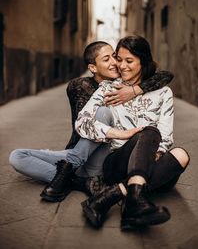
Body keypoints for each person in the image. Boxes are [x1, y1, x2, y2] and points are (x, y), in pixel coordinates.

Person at [9, 40, 174, 202]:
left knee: (175, 157)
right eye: (108, 59)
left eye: (115, 57)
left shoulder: (150, 89)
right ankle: (77, 181)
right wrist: (120, 133)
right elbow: (82, 122)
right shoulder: (83, 85)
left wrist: (137, 89)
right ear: (93, 68)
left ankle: (69, 174)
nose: (117, 64)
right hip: (81, 151)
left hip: (104, 157)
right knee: (17, 156)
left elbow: (164, 75)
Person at [73, 35, 190, 230]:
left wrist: (154, 155)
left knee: (181, 155)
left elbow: (166, 137)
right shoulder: (108, 88)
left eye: (129, 61)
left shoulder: (163, 93)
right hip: (117, 162)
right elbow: (82, 122)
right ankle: (134, 200)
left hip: (150, 160)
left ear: (143, 62)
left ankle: (115, 196)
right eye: (119, 59)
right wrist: (119, 134)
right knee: (150, 131)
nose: (122, 66)